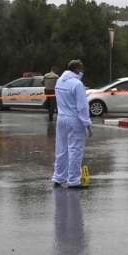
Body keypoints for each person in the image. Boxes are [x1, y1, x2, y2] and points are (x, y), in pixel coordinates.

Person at [51, 59, 92, 189]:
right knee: (75, 150)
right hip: (74, 119)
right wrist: (87, 123)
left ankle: (58, 177)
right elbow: (82, 106)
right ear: (76, 70)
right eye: (82, 69)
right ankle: (74, 180)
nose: (83, 71)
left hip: (61, 118)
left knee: (61, 150)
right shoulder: (77, 84)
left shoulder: (59, 81)